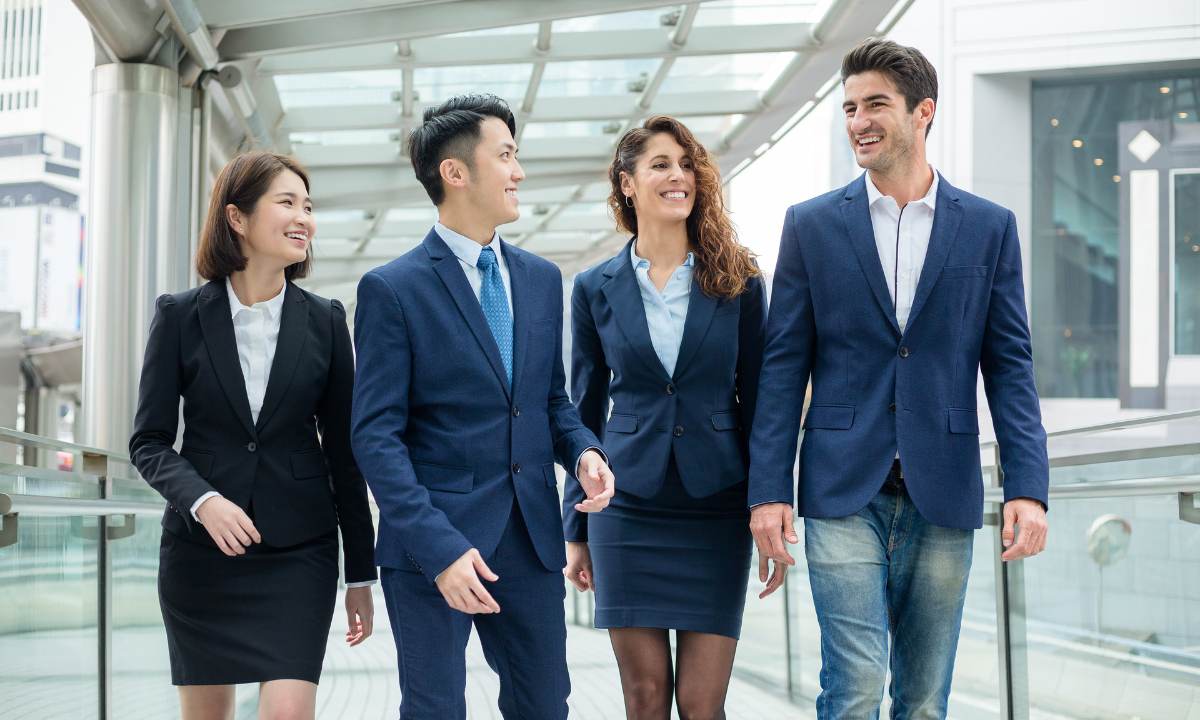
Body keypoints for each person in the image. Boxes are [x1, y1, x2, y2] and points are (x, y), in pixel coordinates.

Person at [747, 38, 1050, 718]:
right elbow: (782, 367)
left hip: (942, 491)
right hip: (839, 490)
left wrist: (1028, 487)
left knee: (921, 700)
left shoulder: (988, 228)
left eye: (875, 104)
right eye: (849, 108)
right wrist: (769, 489)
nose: (858, 121)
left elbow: (1009, 368)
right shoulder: (813, 225)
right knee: (852, 690)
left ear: (923, 112)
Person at [350, 93, 616, 720]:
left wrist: (583, 452)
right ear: (455, 172)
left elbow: (551, 401)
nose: (518, 171)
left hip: (529, 540)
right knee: (435, 708)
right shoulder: (393, 288)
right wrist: (439, 550)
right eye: (506, 155)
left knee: (545, 705)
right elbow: (376, 438)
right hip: (433, 548)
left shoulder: (540, 278)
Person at [129, 151, 377, 720]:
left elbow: (345, 455)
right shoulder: (180, 316)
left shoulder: (326, 321)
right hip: (201, 556)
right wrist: (203, 501)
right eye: (287, 203)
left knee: (290, 712)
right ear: (237, 218)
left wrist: (360, 573)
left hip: (299, 555)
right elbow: (148, 441)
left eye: (308, 206)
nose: (303, 218)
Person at [562, 115, 767, 719]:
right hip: (627, 507)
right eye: (660, 165)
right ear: (627, 183)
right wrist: (572, 529)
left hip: (718, 504)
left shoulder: (739, 280)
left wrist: (768, 507)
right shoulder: (593, 287)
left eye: (686, 165)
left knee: (703, 704)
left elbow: (762, 404)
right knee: (644, 697)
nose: (677, 176)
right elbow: (582, 411)